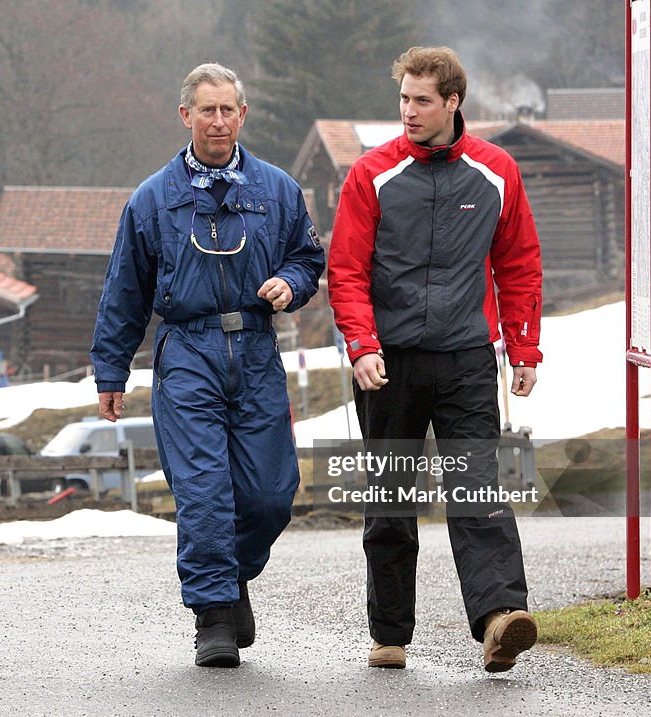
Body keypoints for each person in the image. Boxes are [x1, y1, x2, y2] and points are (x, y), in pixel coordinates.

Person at [90, 63, 324, 668]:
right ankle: (213, 617)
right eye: (206, 110)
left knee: (272, 493)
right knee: (203, 491)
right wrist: (110, 372)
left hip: (256, 348)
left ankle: (234, 576)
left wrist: (290, 284)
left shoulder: (276, 190)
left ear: (242, 116)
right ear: (185, 115)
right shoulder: (152, 199)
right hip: (186, 351)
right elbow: (124, 292)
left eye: (228, 110)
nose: (217, 121)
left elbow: (307, 258)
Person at [328, 46, 543, 673]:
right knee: (390, 498)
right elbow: (346, 271)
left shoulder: (497, 170)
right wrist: (362, 346)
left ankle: (501, 617)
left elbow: (519, 263)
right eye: (404, 99)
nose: (409, 112)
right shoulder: (371, 173)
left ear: (454, 102)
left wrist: (523, 346)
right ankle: (390, 632)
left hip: (466, 360)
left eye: (422, 100)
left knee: (477, 488)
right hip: (387, 362)